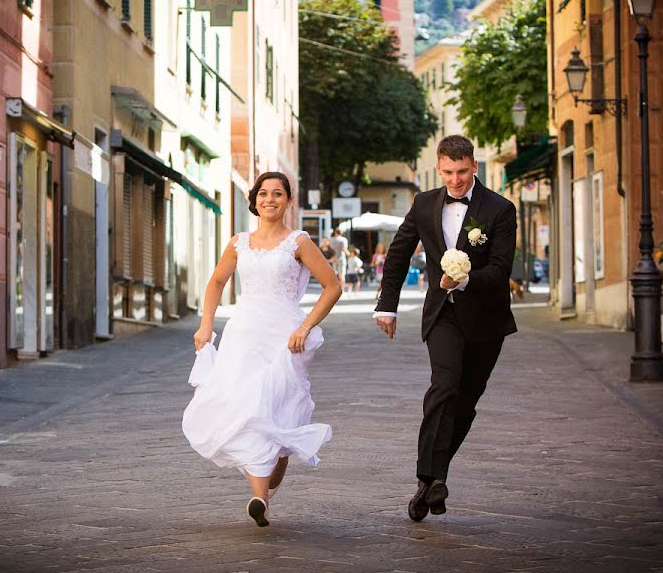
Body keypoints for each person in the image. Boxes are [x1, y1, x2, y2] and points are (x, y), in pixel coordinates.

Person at [183, 172, 342, 528]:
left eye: (278, 194)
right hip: (244, 334)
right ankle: (261, 499)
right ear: (254, 200)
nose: (270, 199)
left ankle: (272, 471)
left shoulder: (299, 242)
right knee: (247, 405)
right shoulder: (239, 242)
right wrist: (206, 324)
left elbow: (332, 286)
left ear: (288, 201)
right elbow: (216, 282)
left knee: (278, 410)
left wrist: (306, 326)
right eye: (264, 194)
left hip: (286, 338)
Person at [373, 135, 517, 523]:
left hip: (487, 319)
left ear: (474, 167)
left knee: (465, 404)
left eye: (463, 172)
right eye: (448, 172)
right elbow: (399, 253)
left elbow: (502, 270)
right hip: (444, 315)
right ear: (439, 168)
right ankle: (430, 474)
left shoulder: (501, 209)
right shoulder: (423, 204)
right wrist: (387, 305)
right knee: (444, 387)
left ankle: (431, 482)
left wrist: (464, 280)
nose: (455, 180)